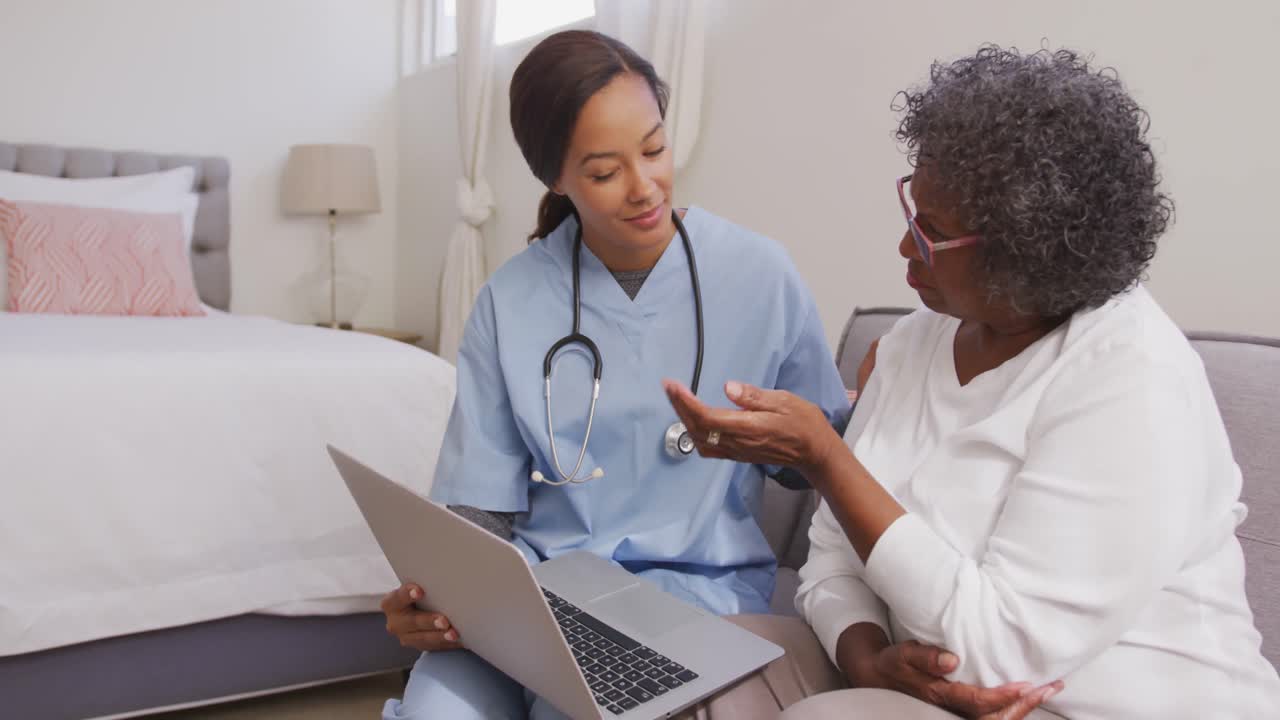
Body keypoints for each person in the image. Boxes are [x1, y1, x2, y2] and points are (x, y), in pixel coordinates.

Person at [664, 46, 1280, 719]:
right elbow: (833, 557)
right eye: (911, 214)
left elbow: (993, 658)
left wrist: (827, 459)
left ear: (1025, 252)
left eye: (931, 234)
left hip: (1074, 704)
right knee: (700, 671)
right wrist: (862, 651)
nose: (904, 247)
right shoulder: (911, 342)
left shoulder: (1133, 382)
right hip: (918, 675)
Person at [378, 30, 851, 719]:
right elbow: (478, 510)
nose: (644, 188)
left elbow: (822, 465)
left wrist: (789, 442)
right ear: (556, 179)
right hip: (537, 600)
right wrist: (436, 599)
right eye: (604, 172)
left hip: (691, 600)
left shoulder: (759, 275)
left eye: (655, 150)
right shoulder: (510, 301)